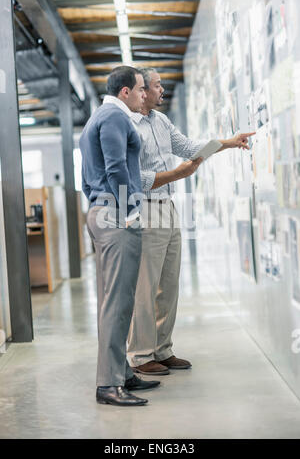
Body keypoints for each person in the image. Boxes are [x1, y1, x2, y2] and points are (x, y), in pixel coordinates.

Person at [127, 67, 255, 375]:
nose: (162, 90)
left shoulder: (161, 121)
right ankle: (141, 355)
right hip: (144, 208)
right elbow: (133, 176)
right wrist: (176, 174)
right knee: (146, 286)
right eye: (157, 86)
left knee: (168, 283)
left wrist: (229, 142)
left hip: (168, 207)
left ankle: (162, 348)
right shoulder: (126, 125)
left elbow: (187, 147)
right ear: (142, 90)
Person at [80, 66, 160, 407]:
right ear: (125, 91)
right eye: (141, 89)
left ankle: (122, 373)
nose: (145, 95)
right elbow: (115, 168)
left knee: (116, 300)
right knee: (117, 303)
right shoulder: (115, 117)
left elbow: (88, 180)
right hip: (116, 216)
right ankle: (109, 385)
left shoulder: (96, 117)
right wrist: (128, 213)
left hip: (102, 211)